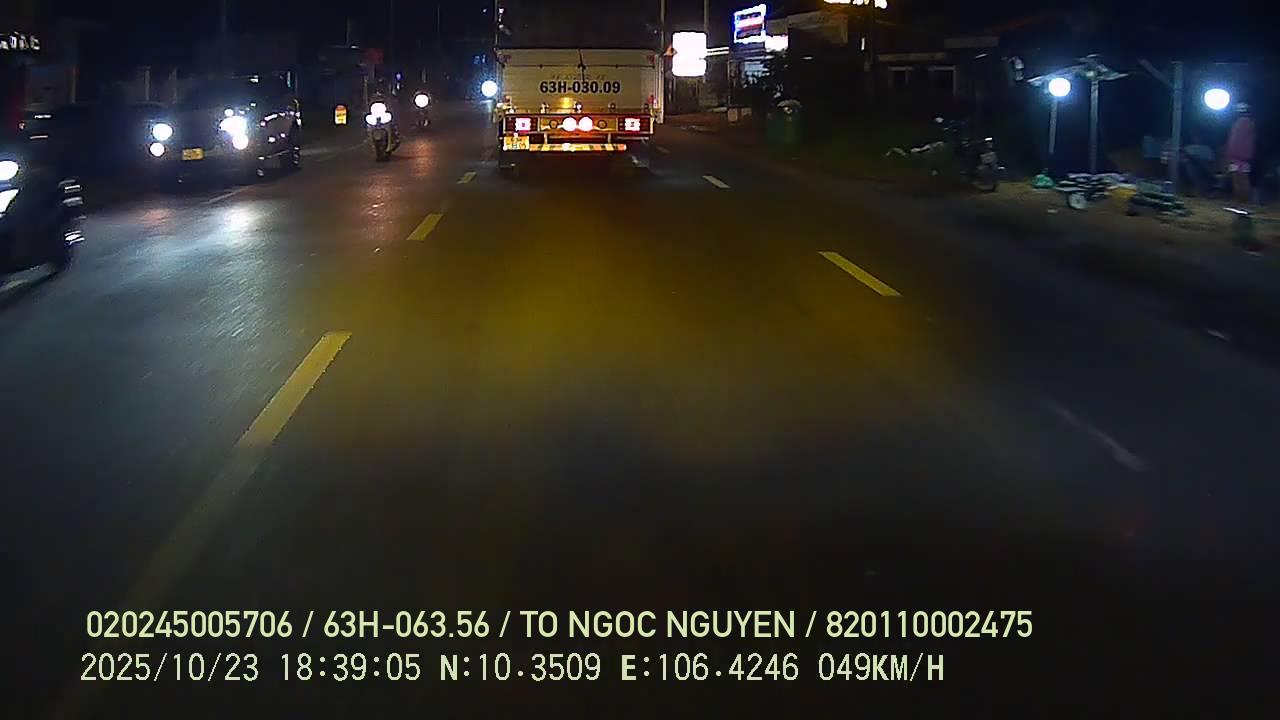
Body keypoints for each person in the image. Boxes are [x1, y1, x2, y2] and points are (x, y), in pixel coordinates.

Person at [1225, 103, 1256, 204]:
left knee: (1237, 178)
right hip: (1245, 157)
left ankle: (1240, 201)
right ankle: (1244, 201)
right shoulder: (1250, 124)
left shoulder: (1238, 124)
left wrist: (1229, 154)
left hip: (1236, 156)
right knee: (1243, 178)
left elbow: (1233, 141)